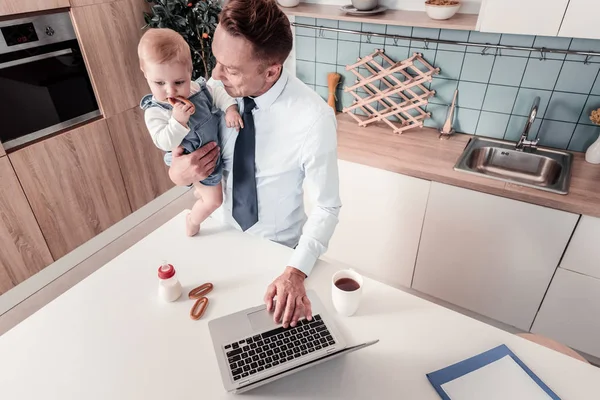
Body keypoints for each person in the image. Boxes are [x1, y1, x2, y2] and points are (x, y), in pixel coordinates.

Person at [167, 0, 341, 329]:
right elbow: (184, 155)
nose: (214, 75)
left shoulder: (313, 120)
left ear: (271, 70)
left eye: (230, 69)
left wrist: (295, 272)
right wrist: (179, 174)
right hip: (217, 237)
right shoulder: (212, 94)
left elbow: (327, 208)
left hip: (277, 257)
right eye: (215, 60)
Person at [137, 28, 243, 237]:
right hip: (195, 159)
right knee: (214, 201)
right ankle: (193, 221)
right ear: (145, 73)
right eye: (159, 83)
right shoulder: (156, 111)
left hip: (211, 153)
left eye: (179, 82)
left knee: (210, 192)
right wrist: (178, 120)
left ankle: (200, 191)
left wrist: (230, 108)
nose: (170, 91)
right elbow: (164, 142)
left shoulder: (197, 89)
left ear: (189, 72)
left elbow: (218, 94)